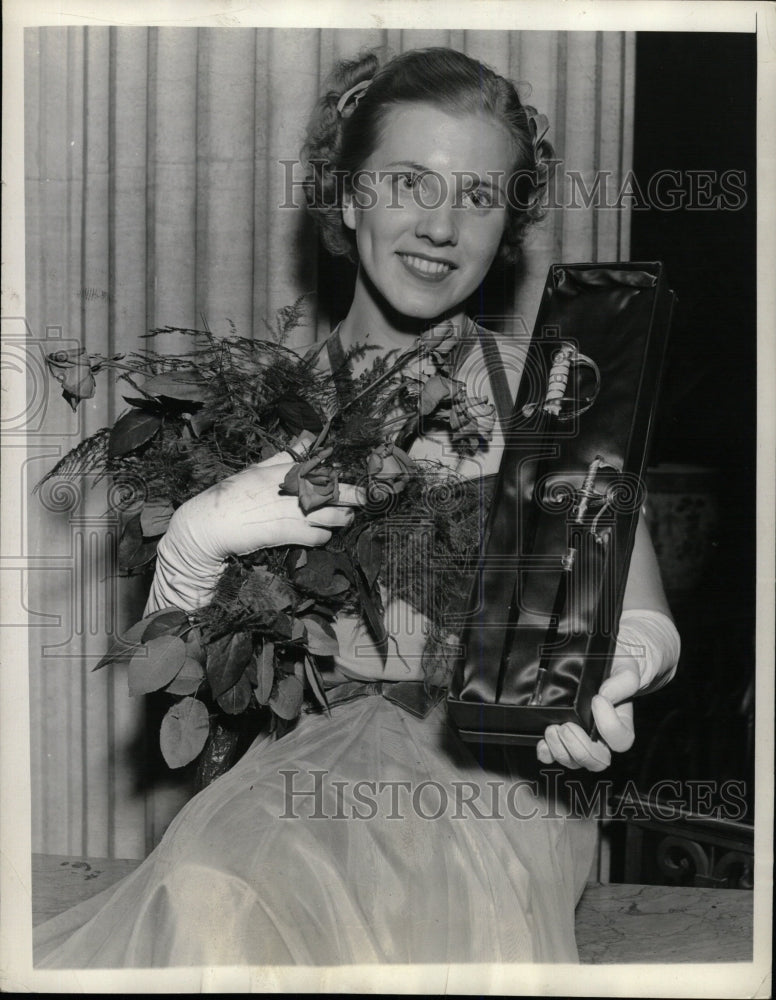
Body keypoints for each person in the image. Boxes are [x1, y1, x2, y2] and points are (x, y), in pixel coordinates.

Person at [34, 46, 680, 967]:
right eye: (410, 182)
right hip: (294, 781)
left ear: (508, 228)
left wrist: (629, 658)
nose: (443, 225)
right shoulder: (253, 404)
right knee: (211, 891)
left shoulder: (549, 396)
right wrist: (190, 548)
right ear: (346, 198)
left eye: (480, 197)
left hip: (489, 784)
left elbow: (646, 612)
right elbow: (180, 679)